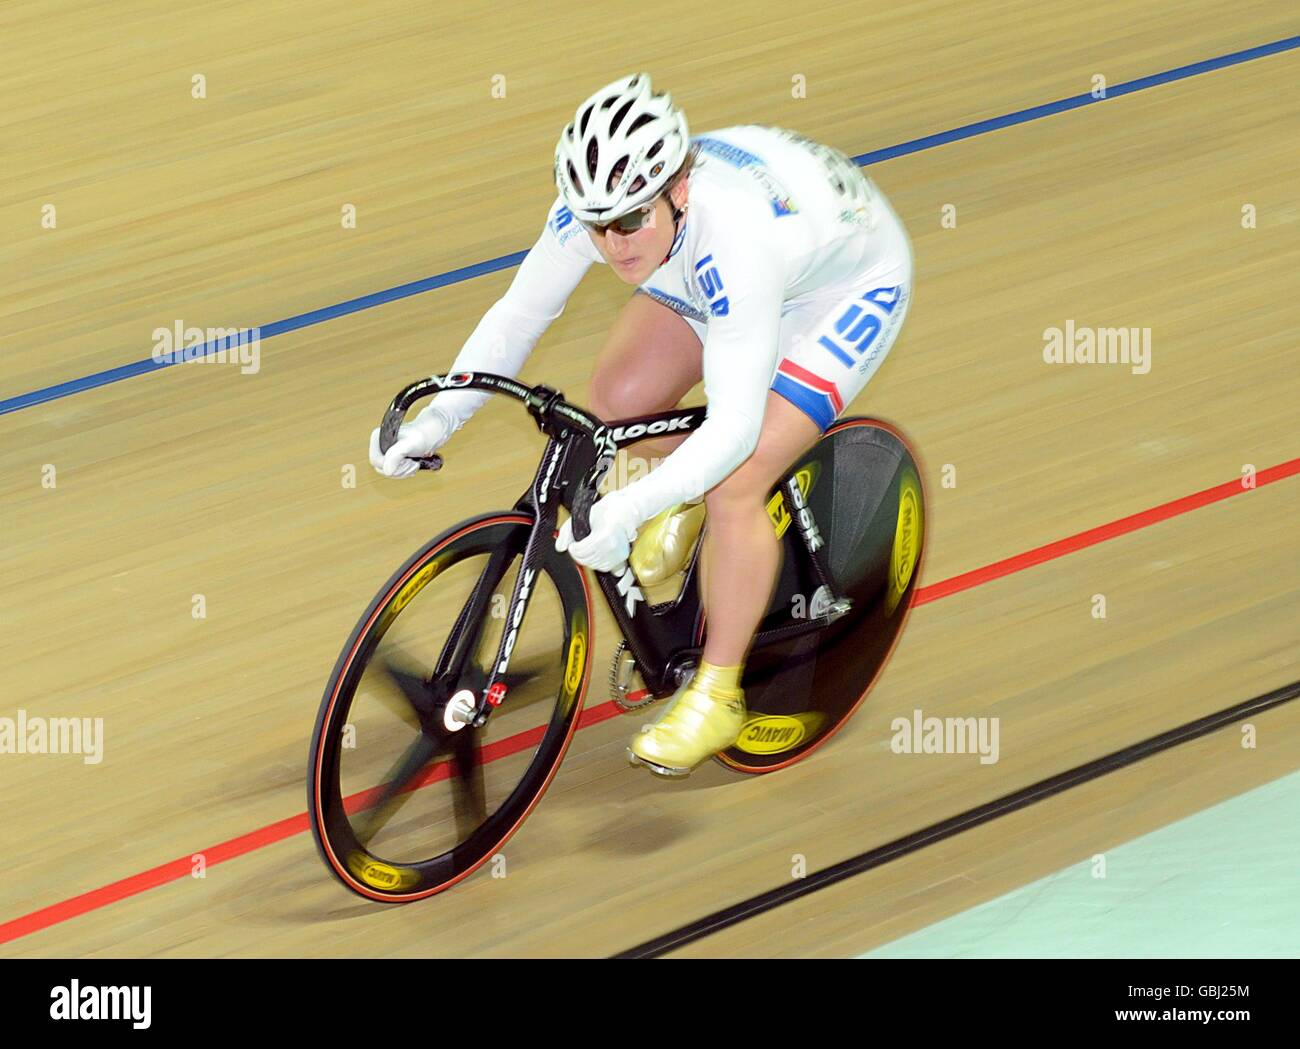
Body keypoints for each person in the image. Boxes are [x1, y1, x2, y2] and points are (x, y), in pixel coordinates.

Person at [370, 73, 913, 776]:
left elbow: (735, 431)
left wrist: (629, 505)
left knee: (737, 480)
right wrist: (438, 420)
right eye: (598, 226)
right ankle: (685, 501)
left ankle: (718, 691)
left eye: (631, 222)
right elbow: (519, 316)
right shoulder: (602, 212)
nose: (615, 244)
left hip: (842, 286)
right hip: (743, 257)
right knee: (618, 394)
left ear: (677, 191)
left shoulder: (732, 246)